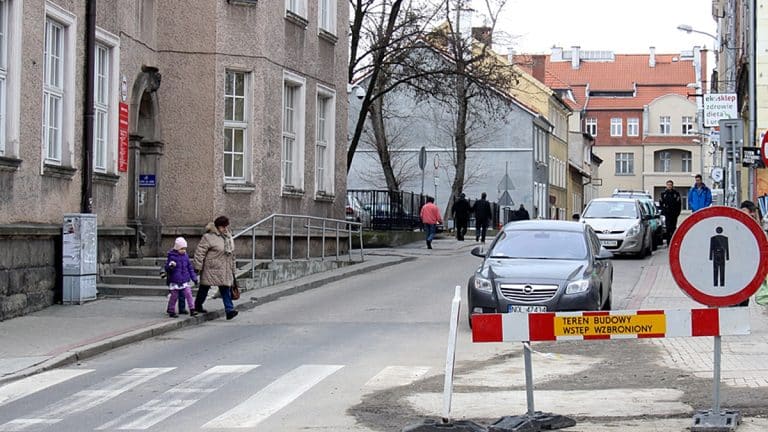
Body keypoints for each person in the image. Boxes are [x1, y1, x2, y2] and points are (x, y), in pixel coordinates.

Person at [193, 216, 239, 320]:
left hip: (224, 269)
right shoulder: (208, 237)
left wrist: (233, 269)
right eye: (223, 227)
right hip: (211, 268)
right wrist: (197, 266)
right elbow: (200, 252)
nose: (225, 229)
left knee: (225, 289)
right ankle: (198, 305)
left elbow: (232, 255)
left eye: (226, 226)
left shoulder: (228, 237)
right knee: (204, 288)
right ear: (218, 226)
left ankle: (229, 311)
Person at [164, 237, 198, 318]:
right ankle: (171, 310)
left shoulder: (185, 257)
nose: (184, 250)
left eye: (185, 249)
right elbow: (167, 268)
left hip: (184, 280)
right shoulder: (172, 256)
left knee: (189, 294)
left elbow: (190, 268)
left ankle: (192, 309)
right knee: (174, 297)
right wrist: (171, 266)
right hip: (175, 280)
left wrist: (194, 278)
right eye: (181, 249)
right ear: (177, 248)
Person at [660, 180, 682, 245]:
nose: (669, 186)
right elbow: (661, 204)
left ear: (672, 186)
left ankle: (673, 241)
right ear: (666, 186)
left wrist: (677, 213)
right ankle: (668, 242)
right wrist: (664, 212)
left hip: (674, 214)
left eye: (670, 185)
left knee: (673, 228)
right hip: (667, 214)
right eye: (668, 185)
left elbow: (679, 204)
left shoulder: (676, 193)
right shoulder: (663, 194)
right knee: (668, 228)